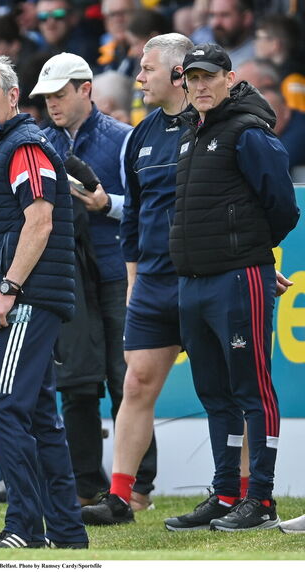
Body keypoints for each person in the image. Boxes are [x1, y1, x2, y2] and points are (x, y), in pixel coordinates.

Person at [165, 43, 299, 532]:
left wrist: (250, 252)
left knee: (252, 388)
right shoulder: (190, 133)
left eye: (208, 77)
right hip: (194, 282)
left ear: (229, 78)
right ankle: (226, 494)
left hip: (237, 278)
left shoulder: (247, 131)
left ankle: (260, 499)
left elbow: (283, 206)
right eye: (192, 79)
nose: (199, 86)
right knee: (214, 393)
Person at [0, 54, 87, 550]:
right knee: (37, 418)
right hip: (28, 297)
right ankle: (67, 533)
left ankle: (23, 528)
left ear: (13, 97)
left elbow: (41, 221)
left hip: (26, 299)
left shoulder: (24, 146)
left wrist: (7, 292)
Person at [31, 52, 157, 510]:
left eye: (60, 94)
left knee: (130, 379)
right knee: (77, 384)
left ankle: (138, 488)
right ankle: (86, 484)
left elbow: (147, 207)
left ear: (85, 89)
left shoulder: (125, 140)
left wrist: (107, 205)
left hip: (117, 272)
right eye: (46, 98)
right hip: (68, 277)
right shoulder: (39, 143)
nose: (52, 105)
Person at [81, 32, 194, 527]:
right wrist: (133, 282)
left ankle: (242, 495)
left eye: (147, 69)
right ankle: (122, 497)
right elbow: (132, 221)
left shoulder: (216, 126)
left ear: (178, 73)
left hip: (205, 276)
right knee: (136, 383)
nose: (139, 77)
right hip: (150, 281)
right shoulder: (141, 135)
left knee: (227, 388)